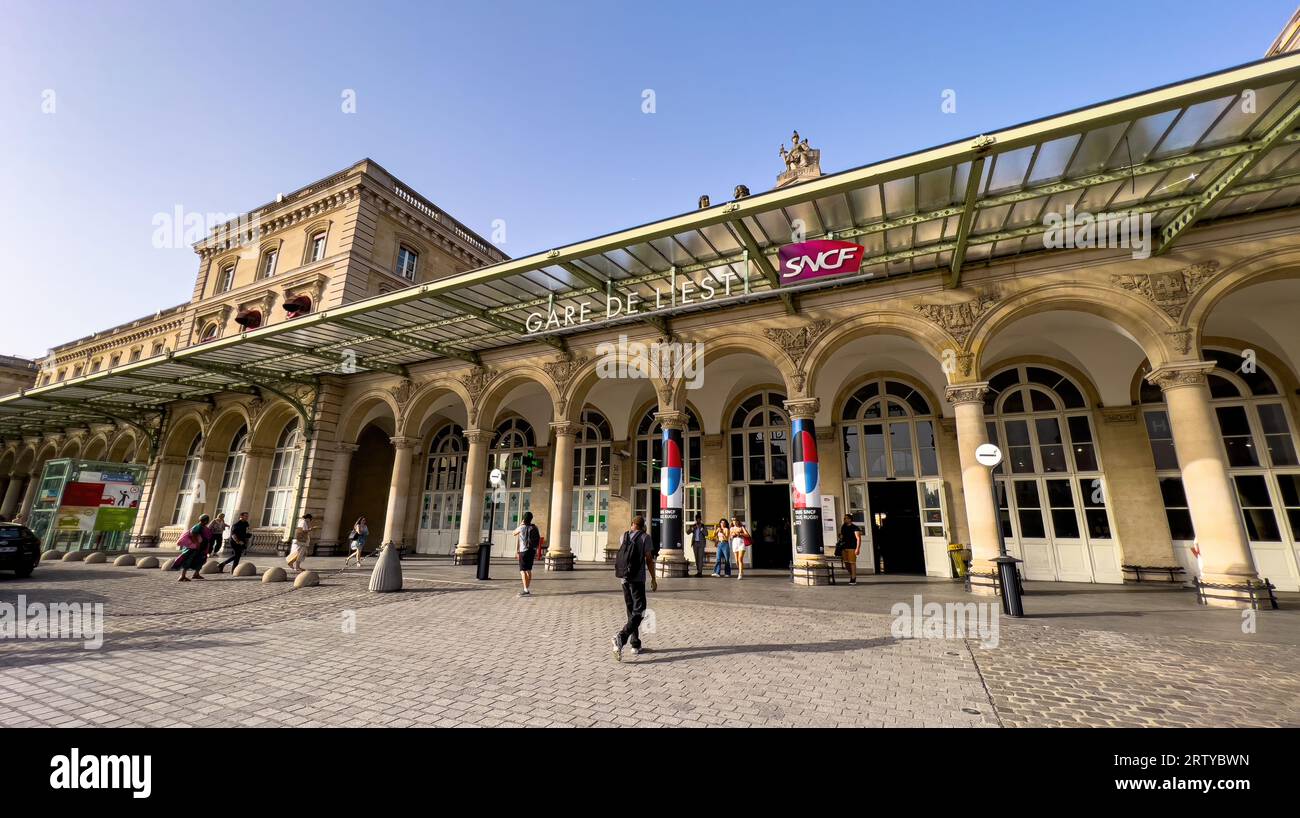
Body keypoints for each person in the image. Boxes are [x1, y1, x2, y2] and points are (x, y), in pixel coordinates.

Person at [611, 515, 655, 661]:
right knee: (640, 611)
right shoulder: (645, 538)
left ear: (632, 525)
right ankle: (621, 637)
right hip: (637, 579)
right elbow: (649, 559)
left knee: (631, 611)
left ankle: (635, 644)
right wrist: (653, 578)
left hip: (624, 579)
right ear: (643, 526)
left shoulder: (623, 536)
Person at [514, 511, 541, 596]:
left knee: (522, 571)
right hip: (532, 550)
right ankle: (527, 587)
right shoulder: (534, 527)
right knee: (528, 570)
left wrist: (521, 524)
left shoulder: (521, 527)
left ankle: (526, 590)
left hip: (523, 551)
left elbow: (514, 533)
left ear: (523, 518)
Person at [177, 514, 211, 582]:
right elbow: (193, 534)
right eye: (207, 520)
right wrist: (197, 543)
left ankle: (196, 574)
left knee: (201, 560)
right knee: (189, 560)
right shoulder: (198, 526)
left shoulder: (203, 527)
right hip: (195, 547)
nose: (208, 521)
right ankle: (182, 576)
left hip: (202, 547)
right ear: (205, 520)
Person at [839, 513, 863, 585]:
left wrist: (857, 549)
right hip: (844, 547)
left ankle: (853, 578)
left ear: (850, 519)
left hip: (852, 547)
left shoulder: (855, 528)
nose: (844, 519)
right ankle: (852, 574)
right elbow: (842, 535)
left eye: (846, 518)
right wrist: (840, 537)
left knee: (852, 563)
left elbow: (858, 538)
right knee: (846, 563)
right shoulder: (843, 526)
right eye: (844, 518)